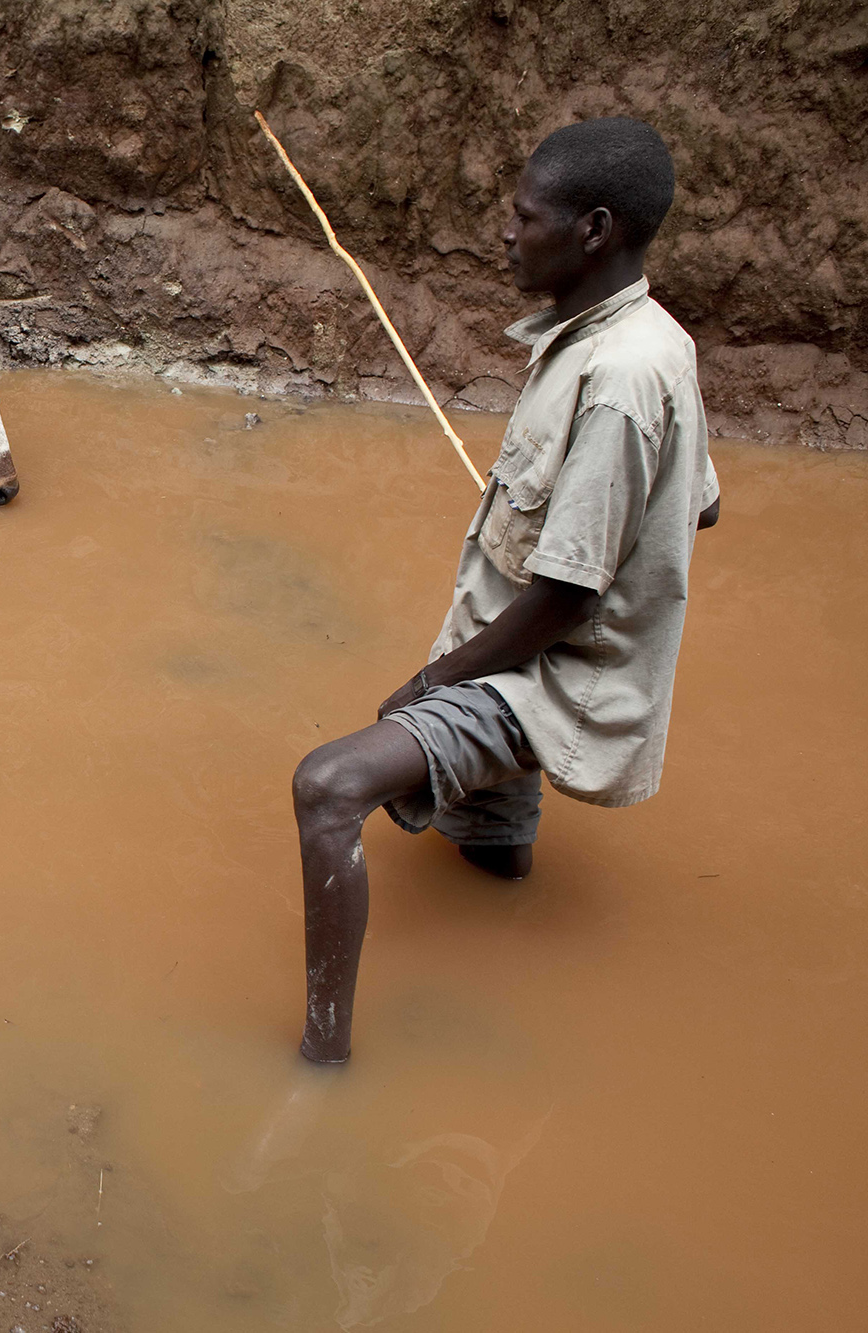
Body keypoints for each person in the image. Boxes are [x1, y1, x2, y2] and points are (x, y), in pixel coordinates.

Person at [291, 117, 721, 1063]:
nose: (506, 232)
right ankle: (503, 970)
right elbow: (702, 509)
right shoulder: (642, 337)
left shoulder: (616, 377)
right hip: (519, 637)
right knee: (491, 862)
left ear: (595, 228)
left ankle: (323, 1056)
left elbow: (567, 597)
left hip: (546, 669)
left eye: (526, 217)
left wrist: (437, 675)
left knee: (327, 787)